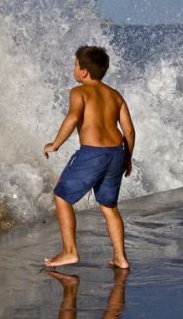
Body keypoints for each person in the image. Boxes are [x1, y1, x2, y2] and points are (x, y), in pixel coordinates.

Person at [43, 45, 135, 269]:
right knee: (108, 206)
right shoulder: (115, 95)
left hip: (92, 154)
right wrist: (128, 158)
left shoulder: (79, 92)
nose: (73, 68)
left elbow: (73, 118)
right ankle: (120, 258)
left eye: (75, 64)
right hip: (116, 153)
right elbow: (129, 131)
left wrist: (55, 144)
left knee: (62, 197)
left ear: (83, 71)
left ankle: (69, 252)